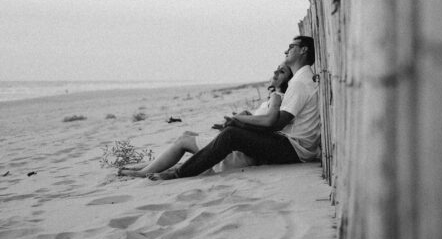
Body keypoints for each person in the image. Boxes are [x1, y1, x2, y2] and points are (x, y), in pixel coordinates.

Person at [149, 35, 320, 180]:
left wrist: (240, 120)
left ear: (304, 50)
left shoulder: (300, 83)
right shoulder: (300, 79)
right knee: (232, 130)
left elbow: (275, 124)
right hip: (291, 145)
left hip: (294, 149)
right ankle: (182, 166)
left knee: (231, 135)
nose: (286, 51)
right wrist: (241, 122)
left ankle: (179, 173)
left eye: (291, 46)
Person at [117, 63, 293, 178]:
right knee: (187, 135)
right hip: (240, 149)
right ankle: (142, 166)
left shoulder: (278, 97)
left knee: (184, 140)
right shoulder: (273, 97)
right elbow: (260, 122)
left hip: (239, 154)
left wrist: (239, 119)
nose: (276, 73)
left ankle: (143, 172)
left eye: (282, 71)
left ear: (288, 79)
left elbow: (267, 123)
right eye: (276, 69)